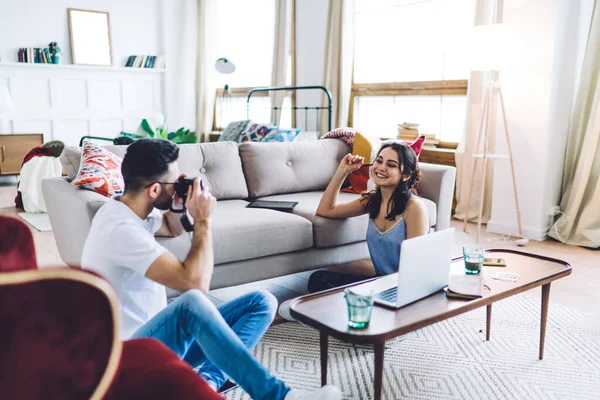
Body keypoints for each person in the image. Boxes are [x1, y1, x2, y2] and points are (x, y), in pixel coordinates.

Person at [81, 139, 341, 400]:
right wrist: (203, 220)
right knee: (191, 303)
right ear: (154, 189)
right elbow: (195, 283)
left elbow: (171, 228)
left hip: (160, 337)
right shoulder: (120, 229)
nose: (177, 186)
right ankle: (278, 396)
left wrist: (179, 202)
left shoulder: (130, 209)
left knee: (262, 302)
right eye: (173, 182)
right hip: (128, 357)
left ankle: (208, 382)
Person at [308, 141, 430, 292]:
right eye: (379, 161)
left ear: (405, 175)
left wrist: (383, 291)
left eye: (391, 165)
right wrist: (343, 170)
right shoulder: (372, 200)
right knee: (319, 279)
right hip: (380, 281)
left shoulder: (414, 208)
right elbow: (326, 210)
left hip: (404, 286)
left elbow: (413, 265)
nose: (381, 167)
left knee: (344, 297)